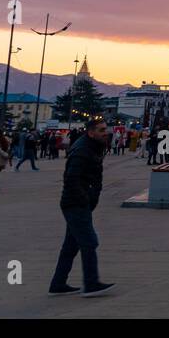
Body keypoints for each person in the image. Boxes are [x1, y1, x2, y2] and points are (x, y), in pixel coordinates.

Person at [48, 117, 114, 297]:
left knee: (71, 245)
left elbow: (95, 175)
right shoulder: (82, 150)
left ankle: (58, 284)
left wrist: (94, 194)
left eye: (105, 129)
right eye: (101, 130)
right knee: (89, 241)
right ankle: (91, 283)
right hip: (75, 203)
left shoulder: (93, 147)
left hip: (80, 202)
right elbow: (71, 178)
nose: (105, 133)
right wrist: (86, 198)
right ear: (90, 132)